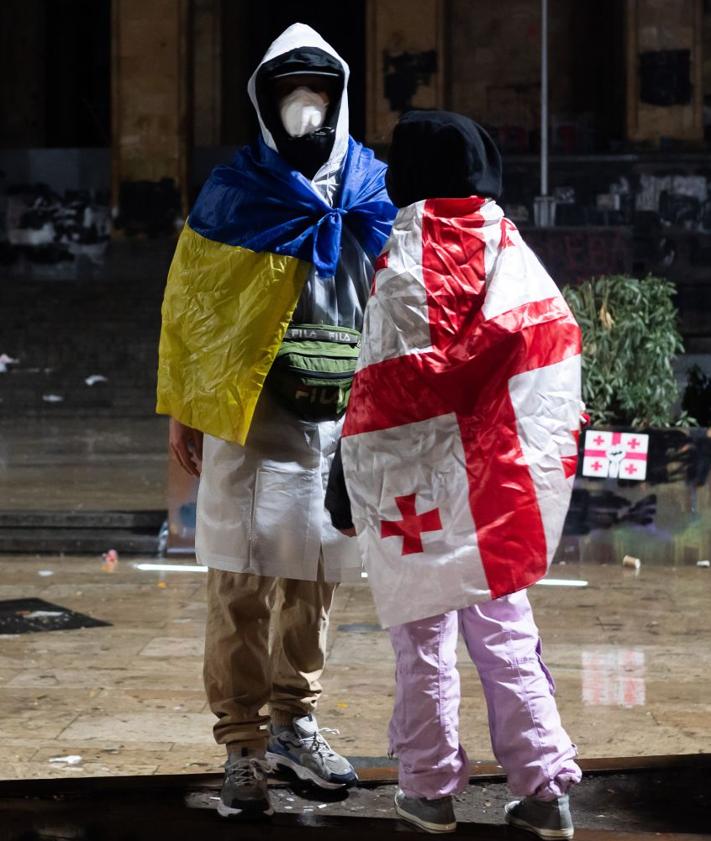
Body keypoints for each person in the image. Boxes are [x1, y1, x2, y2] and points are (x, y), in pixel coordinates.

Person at [157, 23, 395, 818]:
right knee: (239, 582)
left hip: (338, 417)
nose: (304, 107)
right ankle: (242, 743)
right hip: (251, 415)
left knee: (317, 576)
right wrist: (185, 407)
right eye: (290, 92)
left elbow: (397, 295)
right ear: (264, 100)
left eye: (317, 92)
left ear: (338, 95)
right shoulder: (236, 189)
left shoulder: (368, 184)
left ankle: (297, 721)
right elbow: (193, 307)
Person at [326, 110, 583, 837]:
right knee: (504, 631)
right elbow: (555, 342)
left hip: (417, 491)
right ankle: (544, 791)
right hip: (496, 480)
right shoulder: (511, 249)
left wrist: (349, 480)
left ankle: (429, 790)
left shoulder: (402, 258)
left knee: (422, 639)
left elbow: (377, 387)